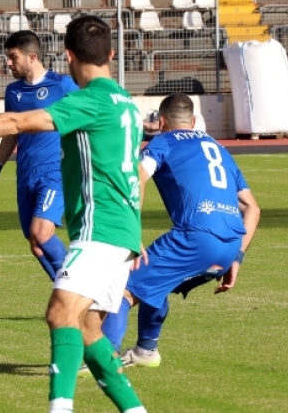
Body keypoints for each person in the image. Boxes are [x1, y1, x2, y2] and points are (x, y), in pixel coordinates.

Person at [0, 15, 147, 413]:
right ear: (111, 54)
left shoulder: (88, 100)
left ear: (69, 56)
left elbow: (15, 122)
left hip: (100, 229)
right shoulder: (127, 103)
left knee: (60, 313)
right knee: (87, 327)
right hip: (122, 230)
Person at [99, 92, 260, 368]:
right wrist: (237, 258)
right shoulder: (219, 148)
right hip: (230, 245)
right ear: (194, 121)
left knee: (121, 286)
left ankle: (102, 361)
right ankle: (146, 351)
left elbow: (138, 176)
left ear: (162, 122)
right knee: (155, 279)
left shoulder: (163, 141)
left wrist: (131, 230)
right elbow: (252, 208)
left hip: (196, 239)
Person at [0, 30, 78, 281]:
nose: (8, 63)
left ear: (32, 57)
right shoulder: (13, 92)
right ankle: (70, 293)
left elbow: (89, 113)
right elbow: (10, 133)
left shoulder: (62, 85)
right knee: (35, 243)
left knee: (41, 232)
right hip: (26, 174)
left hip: (55, 173)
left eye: (13, 57)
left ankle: (79, 287)